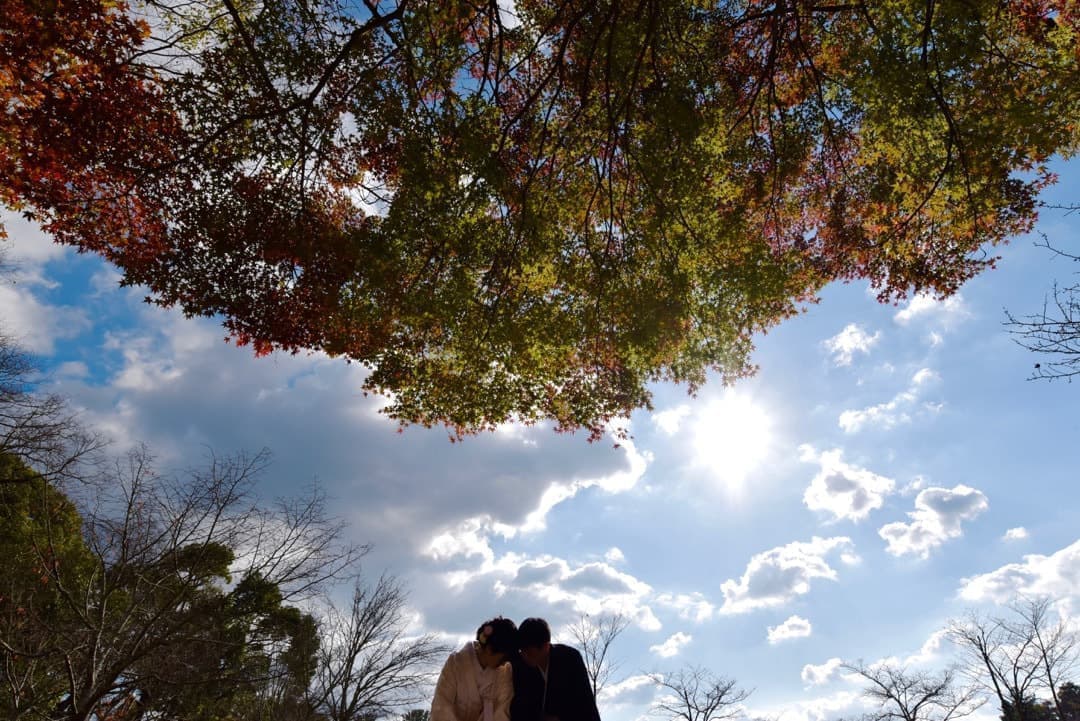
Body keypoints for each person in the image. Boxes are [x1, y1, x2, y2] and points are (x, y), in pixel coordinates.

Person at [510, 617, 601, 721]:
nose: (525, 656)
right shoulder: (520, 666)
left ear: (546, 646)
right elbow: (520, 707)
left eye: (530, 652)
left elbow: (585, 702)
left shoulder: (569, 658)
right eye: (522, 651)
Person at [432, 617, 519, 721]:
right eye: (504, 657)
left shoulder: (504, 670)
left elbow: (502, 711)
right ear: (489, 649)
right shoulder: (456, 663)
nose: (505, 662)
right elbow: (441, 706)